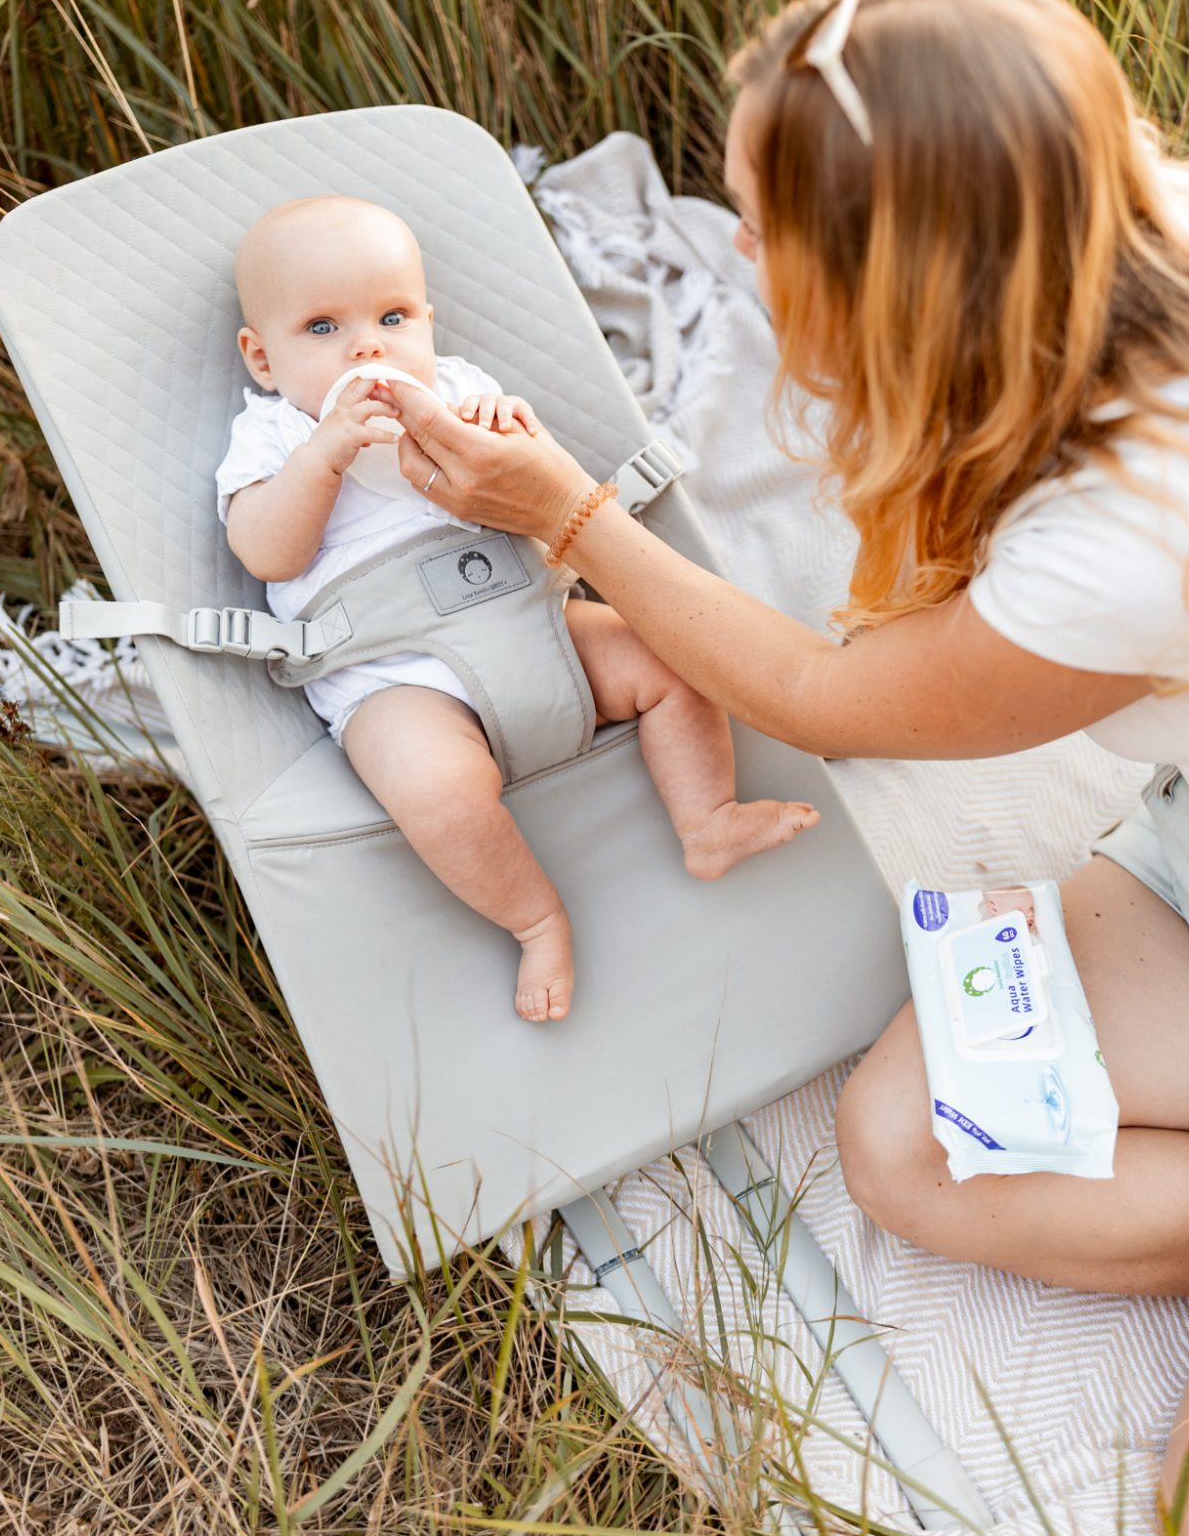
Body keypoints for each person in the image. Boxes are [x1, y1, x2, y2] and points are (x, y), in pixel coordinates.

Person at [367, 0, 1189, 1536]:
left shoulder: (1142, 531)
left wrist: (566, 515)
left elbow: (831, 696)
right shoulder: (1179, 250)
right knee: (902, 1139)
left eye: (764, 229)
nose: (743, 251)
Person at [215, 194, 818, 1024]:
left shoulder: (461, 389)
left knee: (671, 660)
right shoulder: (275, 437)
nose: (367, 346)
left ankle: (706, 820)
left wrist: (515, 431)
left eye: (392, 317)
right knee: (435, 793)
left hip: (535, 619)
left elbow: (537, 484)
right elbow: (266, 552)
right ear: (263, 357)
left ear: (429, 321)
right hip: (399, 673)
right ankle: (535, 919)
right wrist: (323, 457)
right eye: (322, 328)